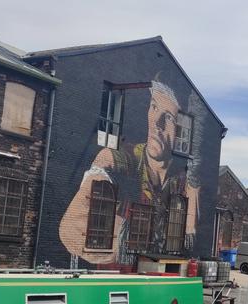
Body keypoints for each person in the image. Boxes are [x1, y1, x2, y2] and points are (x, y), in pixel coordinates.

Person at [60, 82, 199, 264]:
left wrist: (189, 222)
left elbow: (193, 191)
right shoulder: (125, 159)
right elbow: (70, 230)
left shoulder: (181, 179)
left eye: (169, 118)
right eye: (154, 107)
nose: (156, 123)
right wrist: (121, 241)